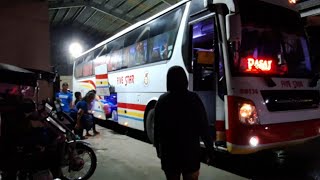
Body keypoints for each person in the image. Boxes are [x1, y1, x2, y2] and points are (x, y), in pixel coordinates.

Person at [154, 66, 214, 180]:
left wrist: (158, 149)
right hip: (190, 154)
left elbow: (157, 129)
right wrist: (209, 150)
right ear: (185, 80)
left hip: (170, 154)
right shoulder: (193, 98)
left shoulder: (162, 100)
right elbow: (203, 127)